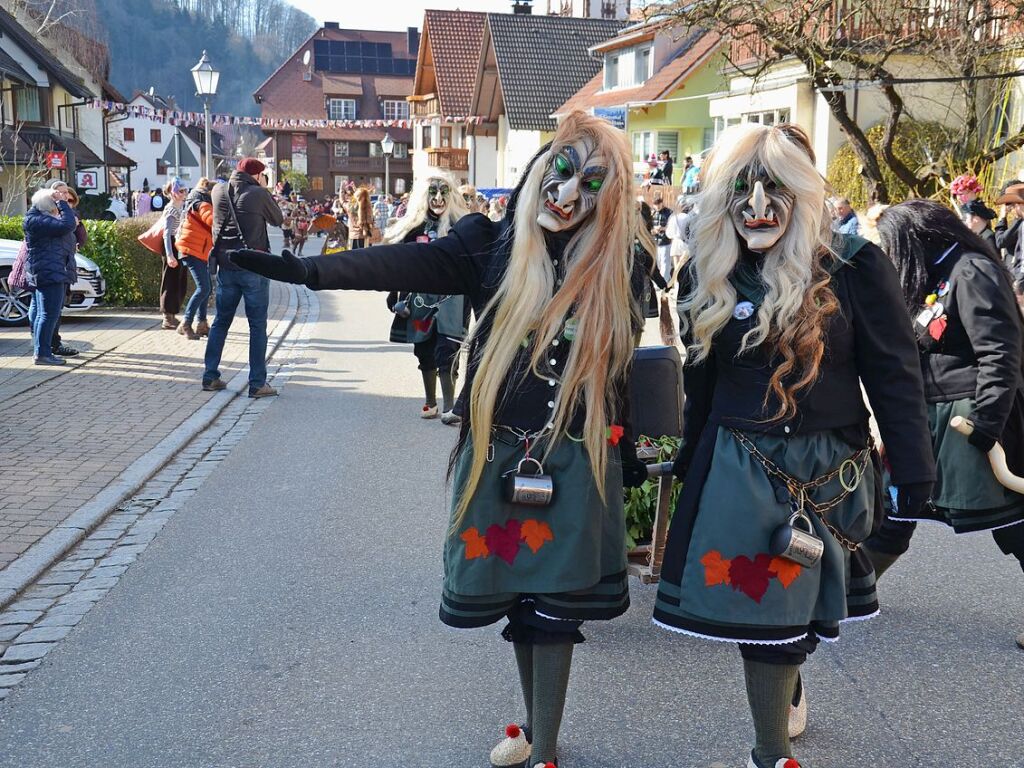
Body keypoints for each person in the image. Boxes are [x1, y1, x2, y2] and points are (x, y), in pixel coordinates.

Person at [231, 111, 653, 768]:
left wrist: (627, 457)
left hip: (573, 454)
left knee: (554, 610)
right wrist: (308, 272)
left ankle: (543, 745)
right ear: (542, 169)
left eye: (592, 185)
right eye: (563, 172)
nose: (568, 196)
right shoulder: (489, 245)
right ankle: (541, 732)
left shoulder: (619, 265)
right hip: (497, 454)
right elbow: (402, 260)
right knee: (519, 597)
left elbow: (622, 369)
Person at [653, 123, 935, 768]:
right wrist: (690, 467)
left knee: (795, 618)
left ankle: (787, 684)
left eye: (775, 187)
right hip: (738, 468)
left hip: (829, 467)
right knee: (766, 620)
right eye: (742, 188)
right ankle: (771, 753)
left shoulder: (857, 265)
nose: (757, 205)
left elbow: (894, 373)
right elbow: (702, 386)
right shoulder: (710, 268)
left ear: (804, 194)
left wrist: (914, 472)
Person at [860, 200, 1024, 649]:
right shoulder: (933, 274)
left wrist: (987, 424)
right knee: (896, 510)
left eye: (892, 244)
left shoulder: (971, 271)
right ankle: (851, 593)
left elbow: (1001, 353)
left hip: (971, 416)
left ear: (916, 237)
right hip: (926, 415)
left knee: (1011, 521)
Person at [382, 172, 471, 422]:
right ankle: (431, 402)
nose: (439, 198)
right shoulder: (413, 228)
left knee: (449, 349)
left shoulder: (460, 227)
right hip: (419, 300)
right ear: (424, 196)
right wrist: (394, 296)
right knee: (424, 349)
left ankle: (451, 408)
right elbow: (400, 263)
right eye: (433, 192)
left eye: (444, 192)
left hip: (453, 299)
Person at [203, 157, 284, 398]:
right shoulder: (258, 194)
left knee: (221, 321)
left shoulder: (218, 190)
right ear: (257, 176)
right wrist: (265, 192)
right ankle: (257, 383)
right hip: (254, 266)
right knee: (257, 325)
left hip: (226, 266)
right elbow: (278, 220)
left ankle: (210, 376)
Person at [23, 187, 77, 365]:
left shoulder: (36, 218)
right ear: (49, 206)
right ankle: (43, 354)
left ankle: (42, 352)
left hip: (47, 270)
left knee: (43, 315)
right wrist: (61, 202)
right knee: (48, 315)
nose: (58, 209)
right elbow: (68, 225)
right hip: (50, 272)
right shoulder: (38, 220)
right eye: (55, 206)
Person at [43, 180, 85, 358]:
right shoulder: (49, 216)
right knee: (49, 310)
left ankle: (51, 343)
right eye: (59, 192)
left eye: (66, 192)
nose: (64, 195)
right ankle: (47, 346)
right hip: (54, 268)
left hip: (65, 266)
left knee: (56, 309)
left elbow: (80, 236)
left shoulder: (69, 214)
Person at [175, 178, 215, 340]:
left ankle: (202, 323)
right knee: (204, 288)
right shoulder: (201, 202)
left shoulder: (197, 199)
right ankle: (186, 322)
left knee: (207, 287)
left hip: (199, 250)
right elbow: (212, 220)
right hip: (193, 251)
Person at [159, 179, 189, 330]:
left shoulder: (180, 206)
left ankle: (172, 314)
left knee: (179, 280)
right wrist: (170, 255)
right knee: (170, 281)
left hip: (177, 244)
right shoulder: (171, 209)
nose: (184, 193)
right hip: (171, 244)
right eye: (180, 191)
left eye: (185, 190)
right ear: (173, 193)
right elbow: (166, 234)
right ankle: (167, 316)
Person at [651, 195, 673, 286]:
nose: (657, 206)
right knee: (657, 263)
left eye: (659, 204)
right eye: (655, 204)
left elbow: (672, 226)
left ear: (662, 203)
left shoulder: (669, 213)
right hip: (655, 242)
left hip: (665, 242)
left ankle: (665, 282)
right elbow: (648, 228)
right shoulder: (652, 214)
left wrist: (663, 228)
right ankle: (659, 283)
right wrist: (653, 230)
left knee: (665, 263)